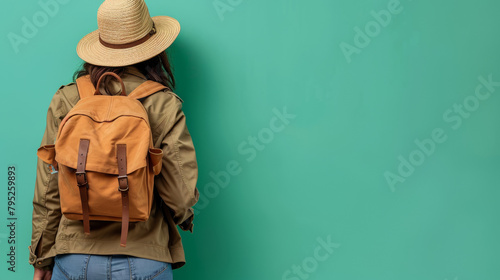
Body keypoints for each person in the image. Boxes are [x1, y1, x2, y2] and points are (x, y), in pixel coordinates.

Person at [29, 0, 199, 279]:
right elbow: (180, 195)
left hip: (74, 256)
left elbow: (48, 190)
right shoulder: (163, 104)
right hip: (145, 257)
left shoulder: (67, 99)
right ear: (153, 49)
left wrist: (42, 257)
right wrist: (185, 217)